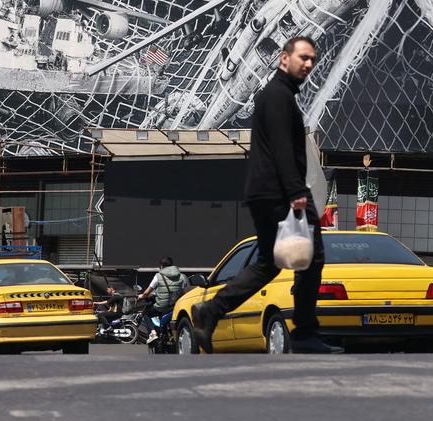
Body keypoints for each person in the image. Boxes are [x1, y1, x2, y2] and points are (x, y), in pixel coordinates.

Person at [190, 36, 335, 354]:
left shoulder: (278, 95)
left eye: (313, 59)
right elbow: (282, 146)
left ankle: (209, 312)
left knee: (270, 264)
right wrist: (296, 190)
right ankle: (306, 334)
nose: (309, 64)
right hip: (282, 193)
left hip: (266, 191)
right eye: (303, 58)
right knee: (313, 258)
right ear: (284, 58)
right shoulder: (277, 95)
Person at [140, 258, 184, 344]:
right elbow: (183, 291)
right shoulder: (181, 276)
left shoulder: (158, 276)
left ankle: (153, 333)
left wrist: (141, 296)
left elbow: (146, 292)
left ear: (161, 266)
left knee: (145, 313)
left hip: (161, 306)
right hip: (174, 306)